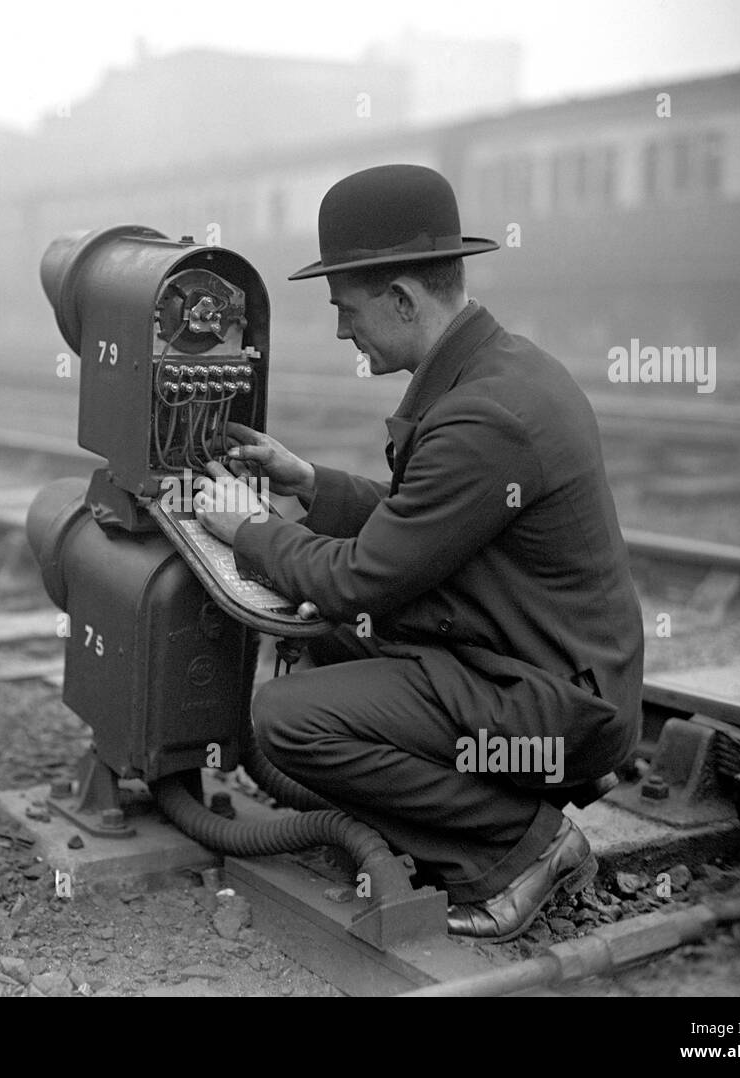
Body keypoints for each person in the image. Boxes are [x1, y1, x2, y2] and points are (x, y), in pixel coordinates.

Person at [193, 164, 644, 942]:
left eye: (347, 309)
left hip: (549, 706)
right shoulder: (499, 369)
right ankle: (473, 816)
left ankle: (522, 849)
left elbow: (362, 579)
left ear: (402, 298)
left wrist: (249, 531)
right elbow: (426, 526)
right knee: (324, 645)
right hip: (533, 666)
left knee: (287, 721)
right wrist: (310, 482)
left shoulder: (484, 416)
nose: (342, 332)